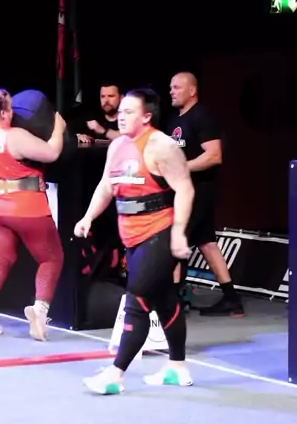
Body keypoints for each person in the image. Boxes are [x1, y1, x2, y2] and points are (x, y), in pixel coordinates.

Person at [74, 87, 195, 394]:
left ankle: (115, 375)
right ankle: (178, 367)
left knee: (137, 301)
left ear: (146, 116)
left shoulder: (162, 146)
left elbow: (185, 189)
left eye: (129, 112)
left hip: (160, 232)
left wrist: (179, 232)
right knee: (165, 300)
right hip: (131, 235)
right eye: (121, 111)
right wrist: (88, 217)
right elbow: (106, 186)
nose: (121, 116)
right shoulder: (117, 146)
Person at [0, 85, 66, 340]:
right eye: (10, 108)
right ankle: (39, 311)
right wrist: (58, 126)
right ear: (2, 113)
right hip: (27, 205)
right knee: (51, 258)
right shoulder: (15, 136)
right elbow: (52, 153)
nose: (13, 113)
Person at [168, 71, 244, 317]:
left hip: (199, 191)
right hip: (184, 191)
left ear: (192, 91)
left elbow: (214, 155)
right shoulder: (175, 121)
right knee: (207, 244)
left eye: (177, 87)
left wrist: (182, 168)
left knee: (176, 240)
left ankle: (173, 302)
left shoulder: (202, 116)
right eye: (171, 87)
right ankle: (232, 300)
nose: (171, 91)